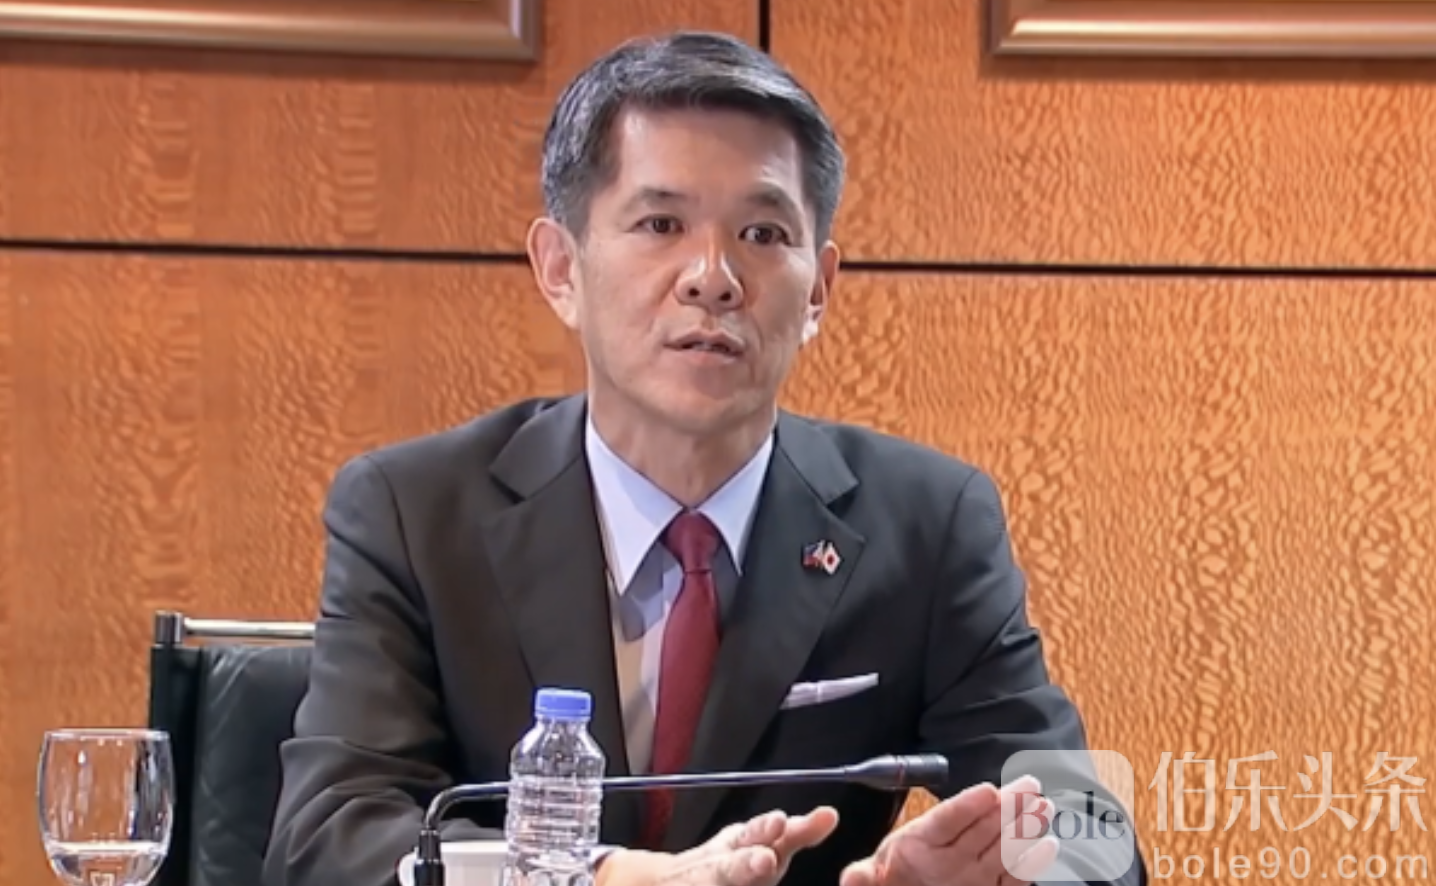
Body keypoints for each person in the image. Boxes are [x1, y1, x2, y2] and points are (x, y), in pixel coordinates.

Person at [262, 29, 1147, 886]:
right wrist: (597, 880)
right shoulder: (417, 513)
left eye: (762, 235)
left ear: (819, 290)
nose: (713, 277)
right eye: (661, 223)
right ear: (561, 268)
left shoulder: (927, 525)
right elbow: (329, 840)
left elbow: (1092, 847)